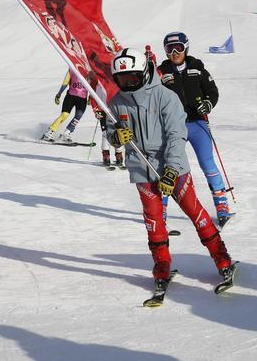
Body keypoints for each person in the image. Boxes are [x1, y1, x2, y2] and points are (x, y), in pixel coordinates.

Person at [106, 47, 233, 287]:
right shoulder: (117, 102)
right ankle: (161, 264)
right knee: (153, 220)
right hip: (142, 168)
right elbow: (111, 130)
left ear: (143, 72)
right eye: (122, 79)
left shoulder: (165, 97)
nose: (128, 84)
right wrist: (116, 138)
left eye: (132, 78)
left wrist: (172, 170)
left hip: (172, 168)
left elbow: (177, 135)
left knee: (194, 211)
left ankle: (221, 257)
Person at [158, 32, 232, 227]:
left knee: (208, 163)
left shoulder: (198, 68)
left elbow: (212, 91)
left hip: (197, 123)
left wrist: (208, 104)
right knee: (169, 166)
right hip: (174, 126)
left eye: (179, 48)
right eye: (169, 49)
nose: (174, 53)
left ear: (186, 48)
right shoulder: (161, 72)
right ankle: (161, 208)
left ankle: (221, 203)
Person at [42, 69, 90, 143]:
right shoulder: (72, 68)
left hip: (82, 98)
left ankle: (67, 133)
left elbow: (93, 85)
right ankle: (49, 132)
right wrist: (59, 93)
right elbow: (66, 82)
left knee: (78, 116)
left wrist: (91, 98)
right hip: (71, 96)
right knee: (65, 115)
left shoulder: (90, 70)